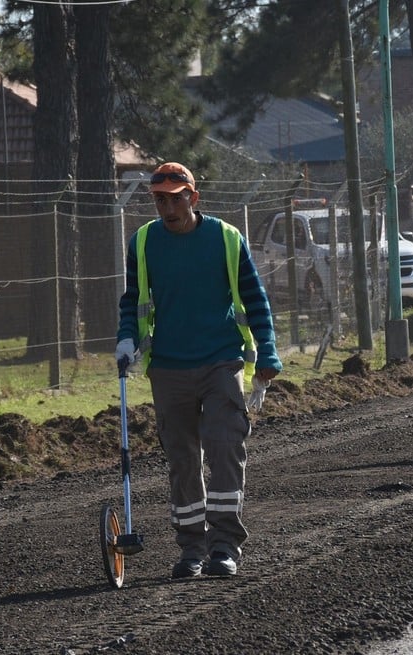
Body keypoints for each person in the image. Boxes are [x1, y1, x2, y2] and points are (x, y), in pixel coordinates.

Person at [116, 162, 282, 579]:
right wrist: (125, 339)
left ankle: (224, 547)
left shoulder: (226, 239)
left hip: (221, 360)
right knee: (183, 459)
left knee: (225, 446)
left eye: (176, 197)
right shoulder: (143, 243)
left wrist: (268, 353)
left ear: (193, 197)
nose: (168, 206)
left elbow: (254, 297)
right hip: (169, 368)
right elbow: (132, 300)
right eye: (160, 199)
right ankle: (192, 549)